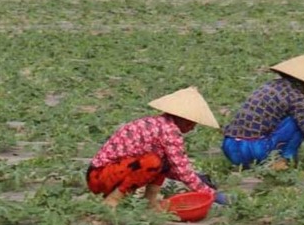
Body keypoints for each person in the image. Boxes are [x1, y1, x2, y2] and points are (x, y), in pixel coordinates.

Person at [87, 87, 230, 209]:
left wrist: (197, 179)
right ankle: (113, 200)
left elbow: (173, 168)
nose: (193, 127)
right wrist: (212, 194)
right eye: (192, 122)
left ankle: (150, 201)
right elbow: (183, 172)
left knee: (162, 162)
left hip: (104, 173)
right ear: (182, 118)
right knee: (152, 162)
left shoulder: (160, 123)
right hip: (100, 176)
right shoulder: (169, 131)